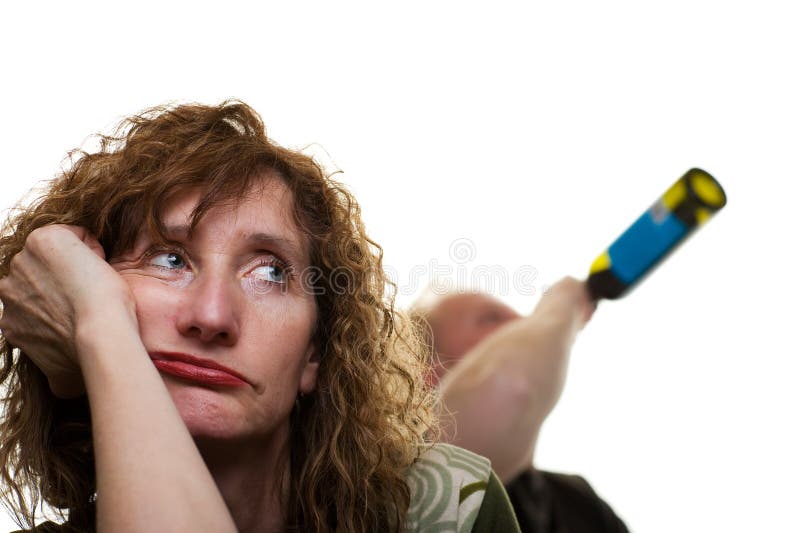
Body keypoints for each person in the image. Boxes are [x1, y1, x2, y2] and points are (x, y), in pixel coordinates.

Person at [0, 101, 520, 532]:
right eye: (169, 259)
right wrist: (101, 326)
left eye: (270, 274)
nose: (212, 316)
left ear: (315, 351)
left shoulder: (447, 509)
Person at [412, 279, 629, 532]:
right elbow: (515, 386)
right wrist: (568, 298)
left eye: (523, 321)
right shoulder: (418, 478)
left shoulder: (582, 503)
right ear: (424, 371)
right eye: (491, 319)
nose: (524, 328)